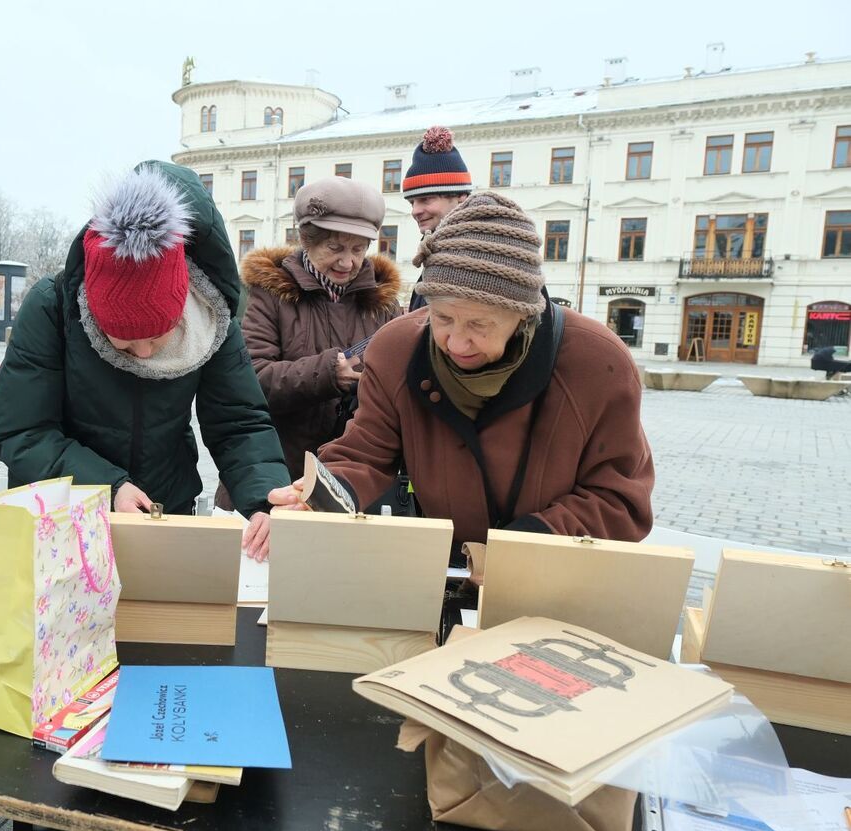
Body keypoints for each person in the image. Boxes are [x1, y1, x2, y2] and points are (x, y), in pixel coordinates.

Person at [268, 192, 654, 557]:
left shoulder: (598, 363)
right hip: (446, 570)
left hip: (555, 569)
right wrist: (320, 494)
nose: (456, 343)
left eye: (480, 324)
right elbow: (365, 452)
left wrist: (523, 546)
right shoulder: (397, 348)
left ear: (523, 314)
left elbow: (619, 498)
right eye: (443, 317)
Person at [0, 162, 290, 560]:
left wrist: (263, 500)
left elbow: (239, 423)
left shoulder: (211, 319)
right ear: (95, 315)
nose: (145, 353)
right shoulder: (51, 308)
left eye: (159, 336)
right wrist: (108, 487)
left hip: (164, 512)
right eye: (126, 343)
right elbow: (21, 432)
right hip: (63, 519)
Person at [218, 176, 401, 510]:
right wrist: (328, 373)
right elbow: (251, 380)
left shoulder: (383, 303)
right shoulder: (271, 294)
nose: (348, 262)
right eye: (335, 248)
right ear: (305, 239)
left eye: (358, 249)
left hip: (349, 483)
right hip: (276, 474)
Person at [403, 126, 473, 312]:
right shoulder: (434, 258)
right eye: (412, 203)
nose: (415, 211)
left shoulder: (494, 255)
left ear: (460, 197)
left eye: (426, 199)